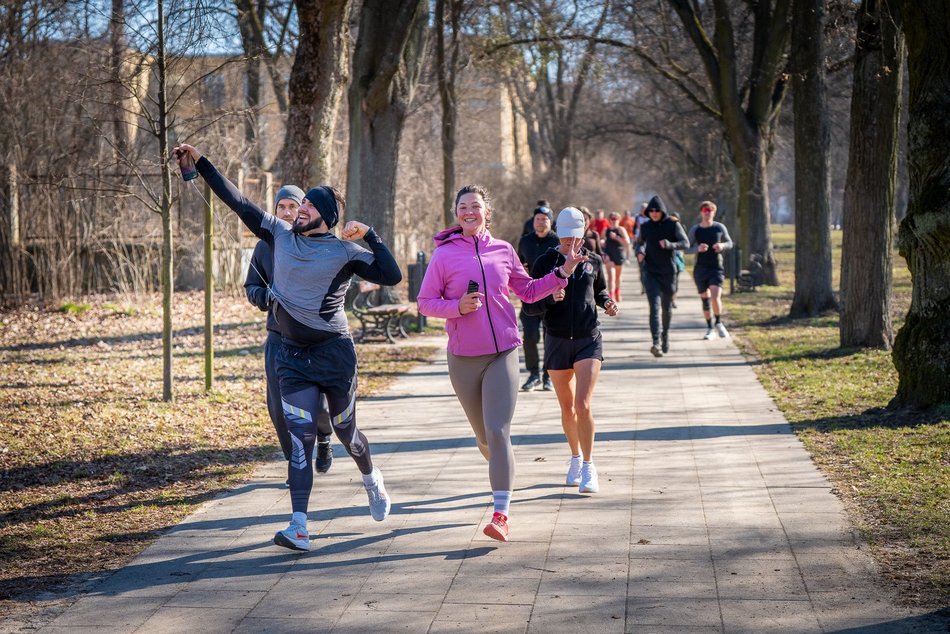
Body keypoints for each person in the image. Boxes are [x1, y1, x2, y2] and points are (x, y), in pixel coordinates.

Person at [175, 143, 401, 552]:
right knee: (300, 439)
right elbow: (238, 201)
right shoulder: (278, 234)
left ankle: (371, 478)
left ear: (326, 217)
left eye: (309, 206)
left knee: (347, 432)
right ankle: (299, 525)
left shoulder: (345, 252)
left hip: (335, 356)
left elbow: (392, 275)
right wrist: (202, 162)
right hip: (292, 357)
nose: (300, 210)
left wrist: (370, 234)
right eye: (301, 204)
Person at [417, 184, 586, 543]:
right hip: (463, 358)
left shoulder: (504, 250)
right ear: (457, 213)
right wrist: (456, 307)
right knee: (485, 437)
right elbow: (425, 302)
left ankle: (501, 514)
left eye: (475, 206)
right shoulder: (444, 255)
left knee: (498, 431)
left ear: (487, 212)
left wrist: (564, 272)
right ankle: (497, 460)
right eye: (463, 206)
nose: (469, 211)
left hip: (503, 351)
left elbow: (528, 290)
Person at [525, 207, 619, 494]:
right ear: (558, 234)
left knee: (583, 405)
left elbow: (599, 291)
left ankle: (589, 466)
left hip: (588, 338)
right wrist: (550, 298)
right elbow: (530, 306)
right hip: (556, 339)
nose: (570, 244)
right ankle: (575, 458)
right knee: (567, 408)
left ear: (583, 233)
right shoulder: (545, 262)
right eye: (565, 238)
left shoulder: (593, 261)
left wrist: (607, 303)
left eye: (575, 238)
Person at [244, 186, 334, 479]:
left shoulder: (315, 243)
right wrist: (264, 296)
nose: (286, 212)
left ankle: (324, 438)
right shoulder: (265, 246)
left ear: (302, 210)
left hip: (312, 339)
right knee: (279, 407)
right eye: (280, 207)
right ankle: (296, 462)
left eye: (292, 206)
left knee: (318, 403)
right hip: (277, 338)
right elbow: (251, 286)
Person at [636, 195, 689, 357]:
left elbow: (685, 243)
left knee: (666, 308)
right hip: (650, 271)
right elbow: (639, 243)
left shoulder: (672, 224)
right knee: (654, 307)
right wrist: (639, 252)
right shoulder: (645, 227)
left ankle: (665, 334)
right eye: (651, 210)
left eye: (657, 210)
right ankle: (656, 342)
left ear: (662, 211)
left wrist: (670, 244)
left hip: (668, 272)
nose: (654, 213)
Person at [517, 206, 560, 392]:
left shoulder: (557, 241)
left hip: (552, 297)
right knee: (530, 337)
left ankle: (548, 376)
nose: (541, 222)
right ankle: (533, 374)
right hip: (530, 296)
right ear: (533, 222)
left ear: (551, 222)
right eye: (538, 219)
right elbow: (518, 264)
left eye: (545, 219)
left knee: (550, 338)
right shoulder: (525, 241)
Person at [686, 200, 734, 339]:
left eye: (710, 210)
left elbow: (730, 243)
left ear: (714, 212)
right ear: (701, 213)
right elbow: (686, 248)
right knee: (705, 299)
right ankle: (709, 328)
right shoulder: (695, 230)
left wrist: (722, 246)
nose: (707, 213)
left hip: (716, 267)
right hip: (701, 268)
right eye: (705, 210)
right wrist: (698, 249)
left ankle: (718, 322)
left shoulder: (719, 227)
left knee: (715, 295)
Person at [602, 212, 631, 303]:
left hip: (619, 255)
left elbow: (627, 243)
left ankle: (617, 291)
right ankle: (611, 296)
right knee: (611, 276)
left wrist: (617, 237)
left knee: (617, 277)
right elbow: (601, 242)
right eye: (612, 219)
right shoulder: (606, 230)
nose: (614, 221)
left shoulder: (621, 230)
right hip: (609, 256)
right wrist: (602, 243)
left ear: (619, 220)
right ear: (609, 220)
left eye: (616, 219)